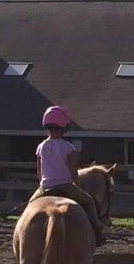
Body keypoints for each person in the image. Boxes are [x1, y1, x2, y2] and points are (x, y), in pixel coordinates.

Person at [29, 105, 106, 245]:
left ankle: (24, 234)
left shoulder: (40, 147)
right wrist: (76, 182)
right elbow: (72, 172)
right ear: (64, 127)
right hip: (65, 186)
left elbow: (39, 172)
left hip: (44, 187)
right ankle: (97, 229)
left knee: (29, 207)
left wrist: (42, 184)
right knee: (89, 201)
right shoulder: (69, 148)